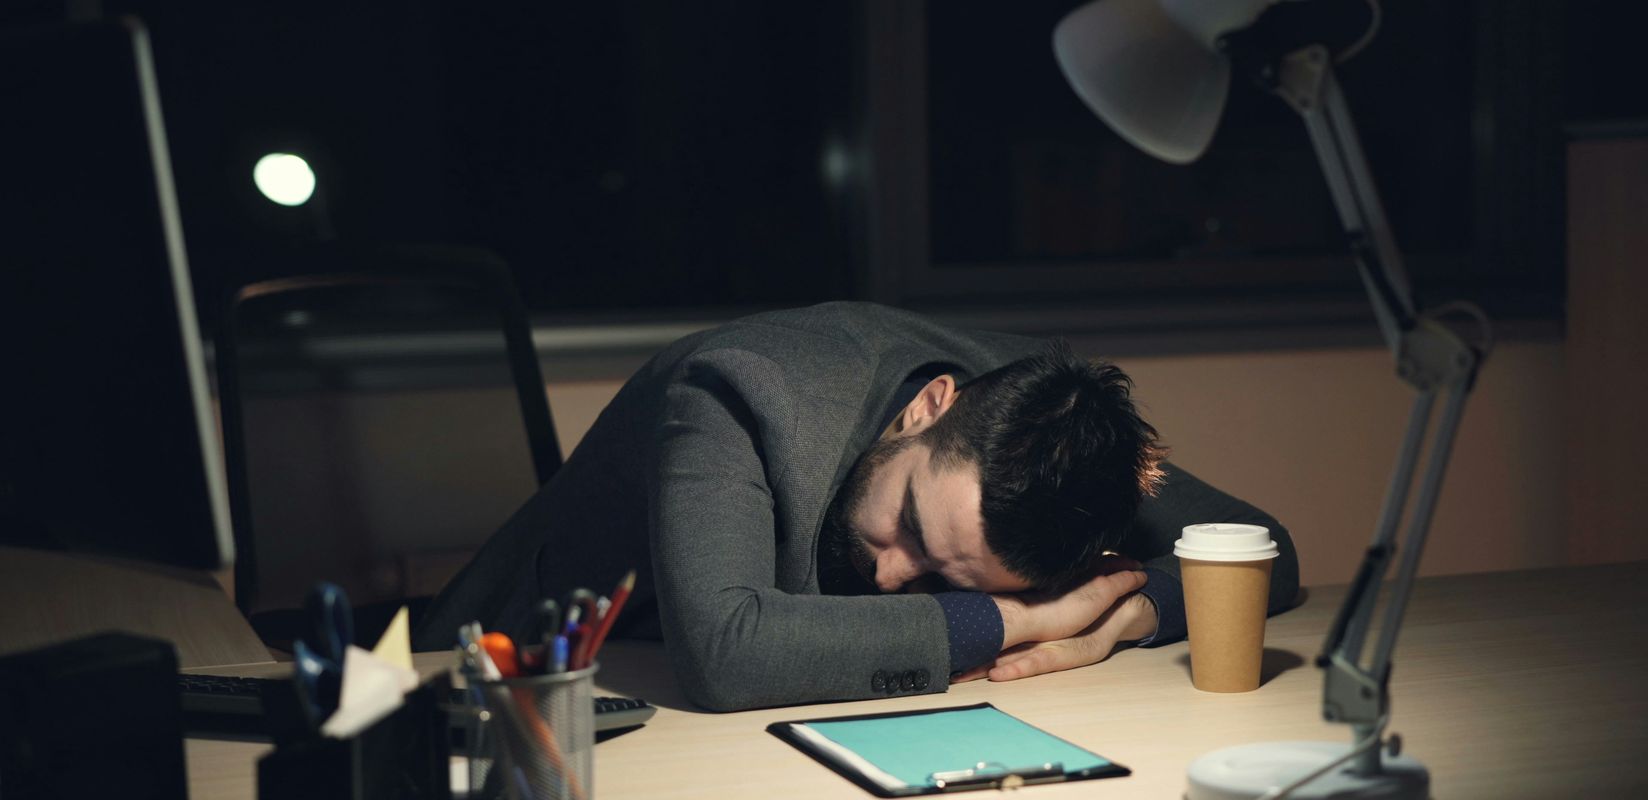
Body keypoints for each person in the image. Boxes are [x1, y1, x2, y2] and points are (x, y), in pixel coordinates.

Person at [416, 302, 1298, 710]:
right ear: (929, 408)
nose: (889, 573)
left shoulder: (1054, 429)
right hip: (516, 694)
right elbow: (727, 654)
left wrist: (1123, 619)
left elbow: (1268, 551)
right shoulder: (738, 389)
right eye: (911, 527)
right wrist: (1021, 620)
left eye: (953, 578)